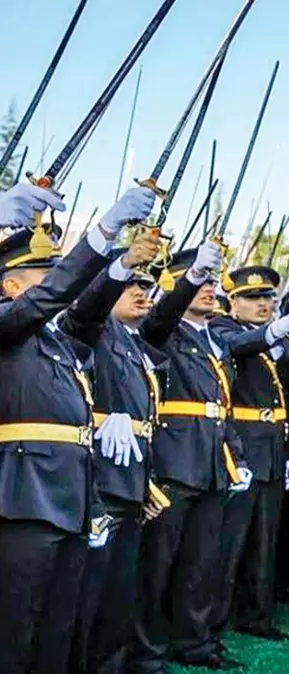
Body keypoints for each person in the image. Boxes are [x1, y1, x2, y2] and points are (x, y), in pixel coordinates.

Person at [0, 184, 155, 674]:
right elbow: (53, 298)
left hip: (70, 497)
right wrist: (102, 229)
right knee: (16, 628)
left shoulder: (58, 341)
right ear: (12, 287)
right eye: (45, 276)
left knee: (57, 628)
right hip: (24, 496)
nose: (58, 284)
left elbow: (86, 312)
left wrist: (118, 262)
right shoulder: (8, 324)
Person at [130, 241, 254, 672]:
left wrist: (237, 458)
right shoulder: (162, 329)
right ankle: (146, 651)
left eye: (210, 281)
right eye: (197, 281)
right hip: (174, 461)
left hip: (213, 462)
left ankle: (195, 642)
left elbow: (223, 407)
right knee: (157, 565)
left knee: (202, 563)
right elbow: (161, 315)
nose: (208, 289)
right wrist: (191, 277)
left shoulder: (216, 339)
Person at [59, 234, 167, 674]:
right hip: (100, 479)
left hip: (130, 478)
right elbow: (84, 313)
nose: (141, 293)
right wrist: (118, 267)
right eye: (130, 286)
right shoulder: (93, 329)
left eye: (146, 287)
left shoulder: (132, 341)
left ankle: (112, 664)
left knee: (119, 590)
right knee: (90, 591)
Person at [209, 265, 289, 644]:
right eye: (252, 298)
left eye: (268, 297)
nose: (263, 303)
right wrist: (279, 329)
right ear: (233, 301)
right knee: (230, 540)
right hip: (241, 445)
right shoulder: (221, 328)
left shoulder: (273, 337)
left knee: (265, 540)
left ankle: (257, 615)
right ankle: (214, 619)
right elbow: (241, 346)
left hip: (272, 446)